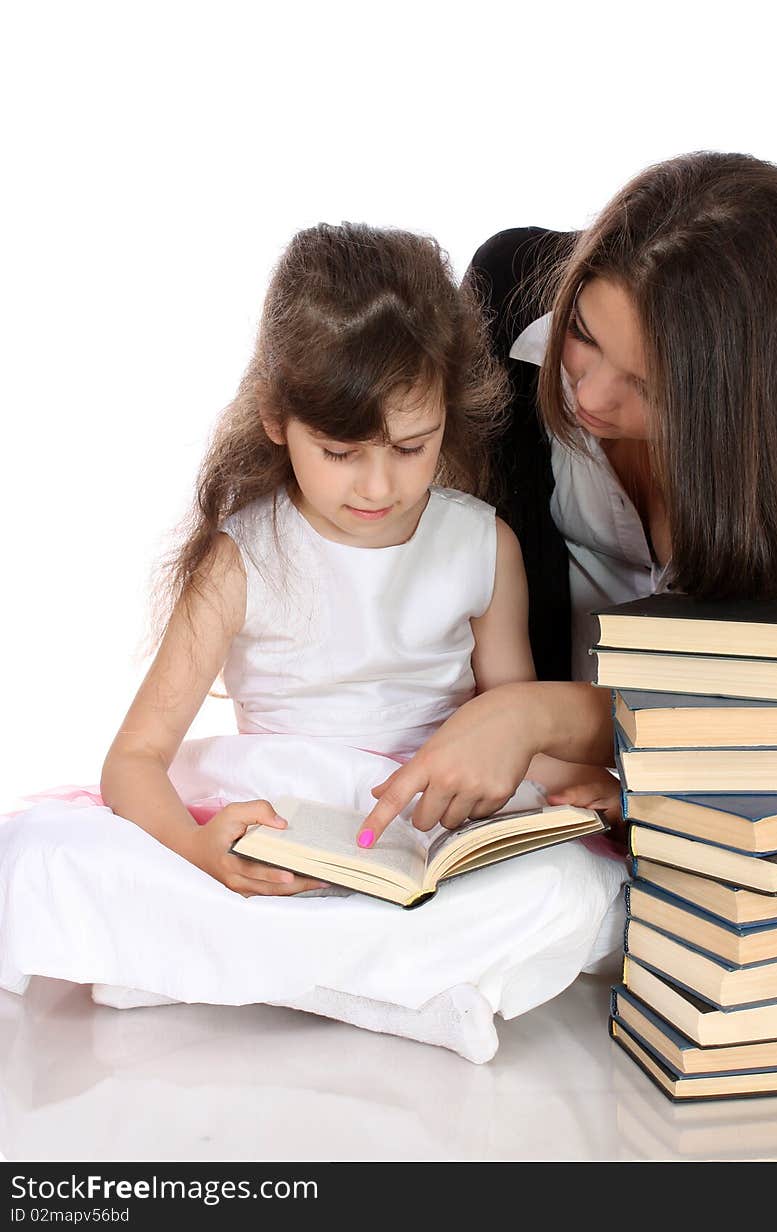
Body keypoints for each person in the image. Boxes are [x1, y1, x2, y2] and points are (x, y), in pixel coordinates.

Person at [0, 222, 626, 1064]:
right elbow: (134, 760)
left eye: (412, 447)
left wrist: (583, 784)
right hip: (283, 812)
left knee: (577, 886)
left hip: (418, 823)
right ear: (275, 416)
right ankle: (400, 991)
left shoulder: (483, 546)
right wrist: (198, 850)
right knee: (36, 850)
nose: (379, 485)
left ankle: (239, 970)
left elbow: (513, 728)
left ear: (450, 413)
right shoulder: (239, 556)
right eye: (340, 452)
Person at [359, 150, 777, 849]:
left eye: (648, 385)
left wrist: (549, 718)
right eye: (582, 334)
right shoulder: (509, 296)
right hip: (526, 805)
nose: (592, 396)